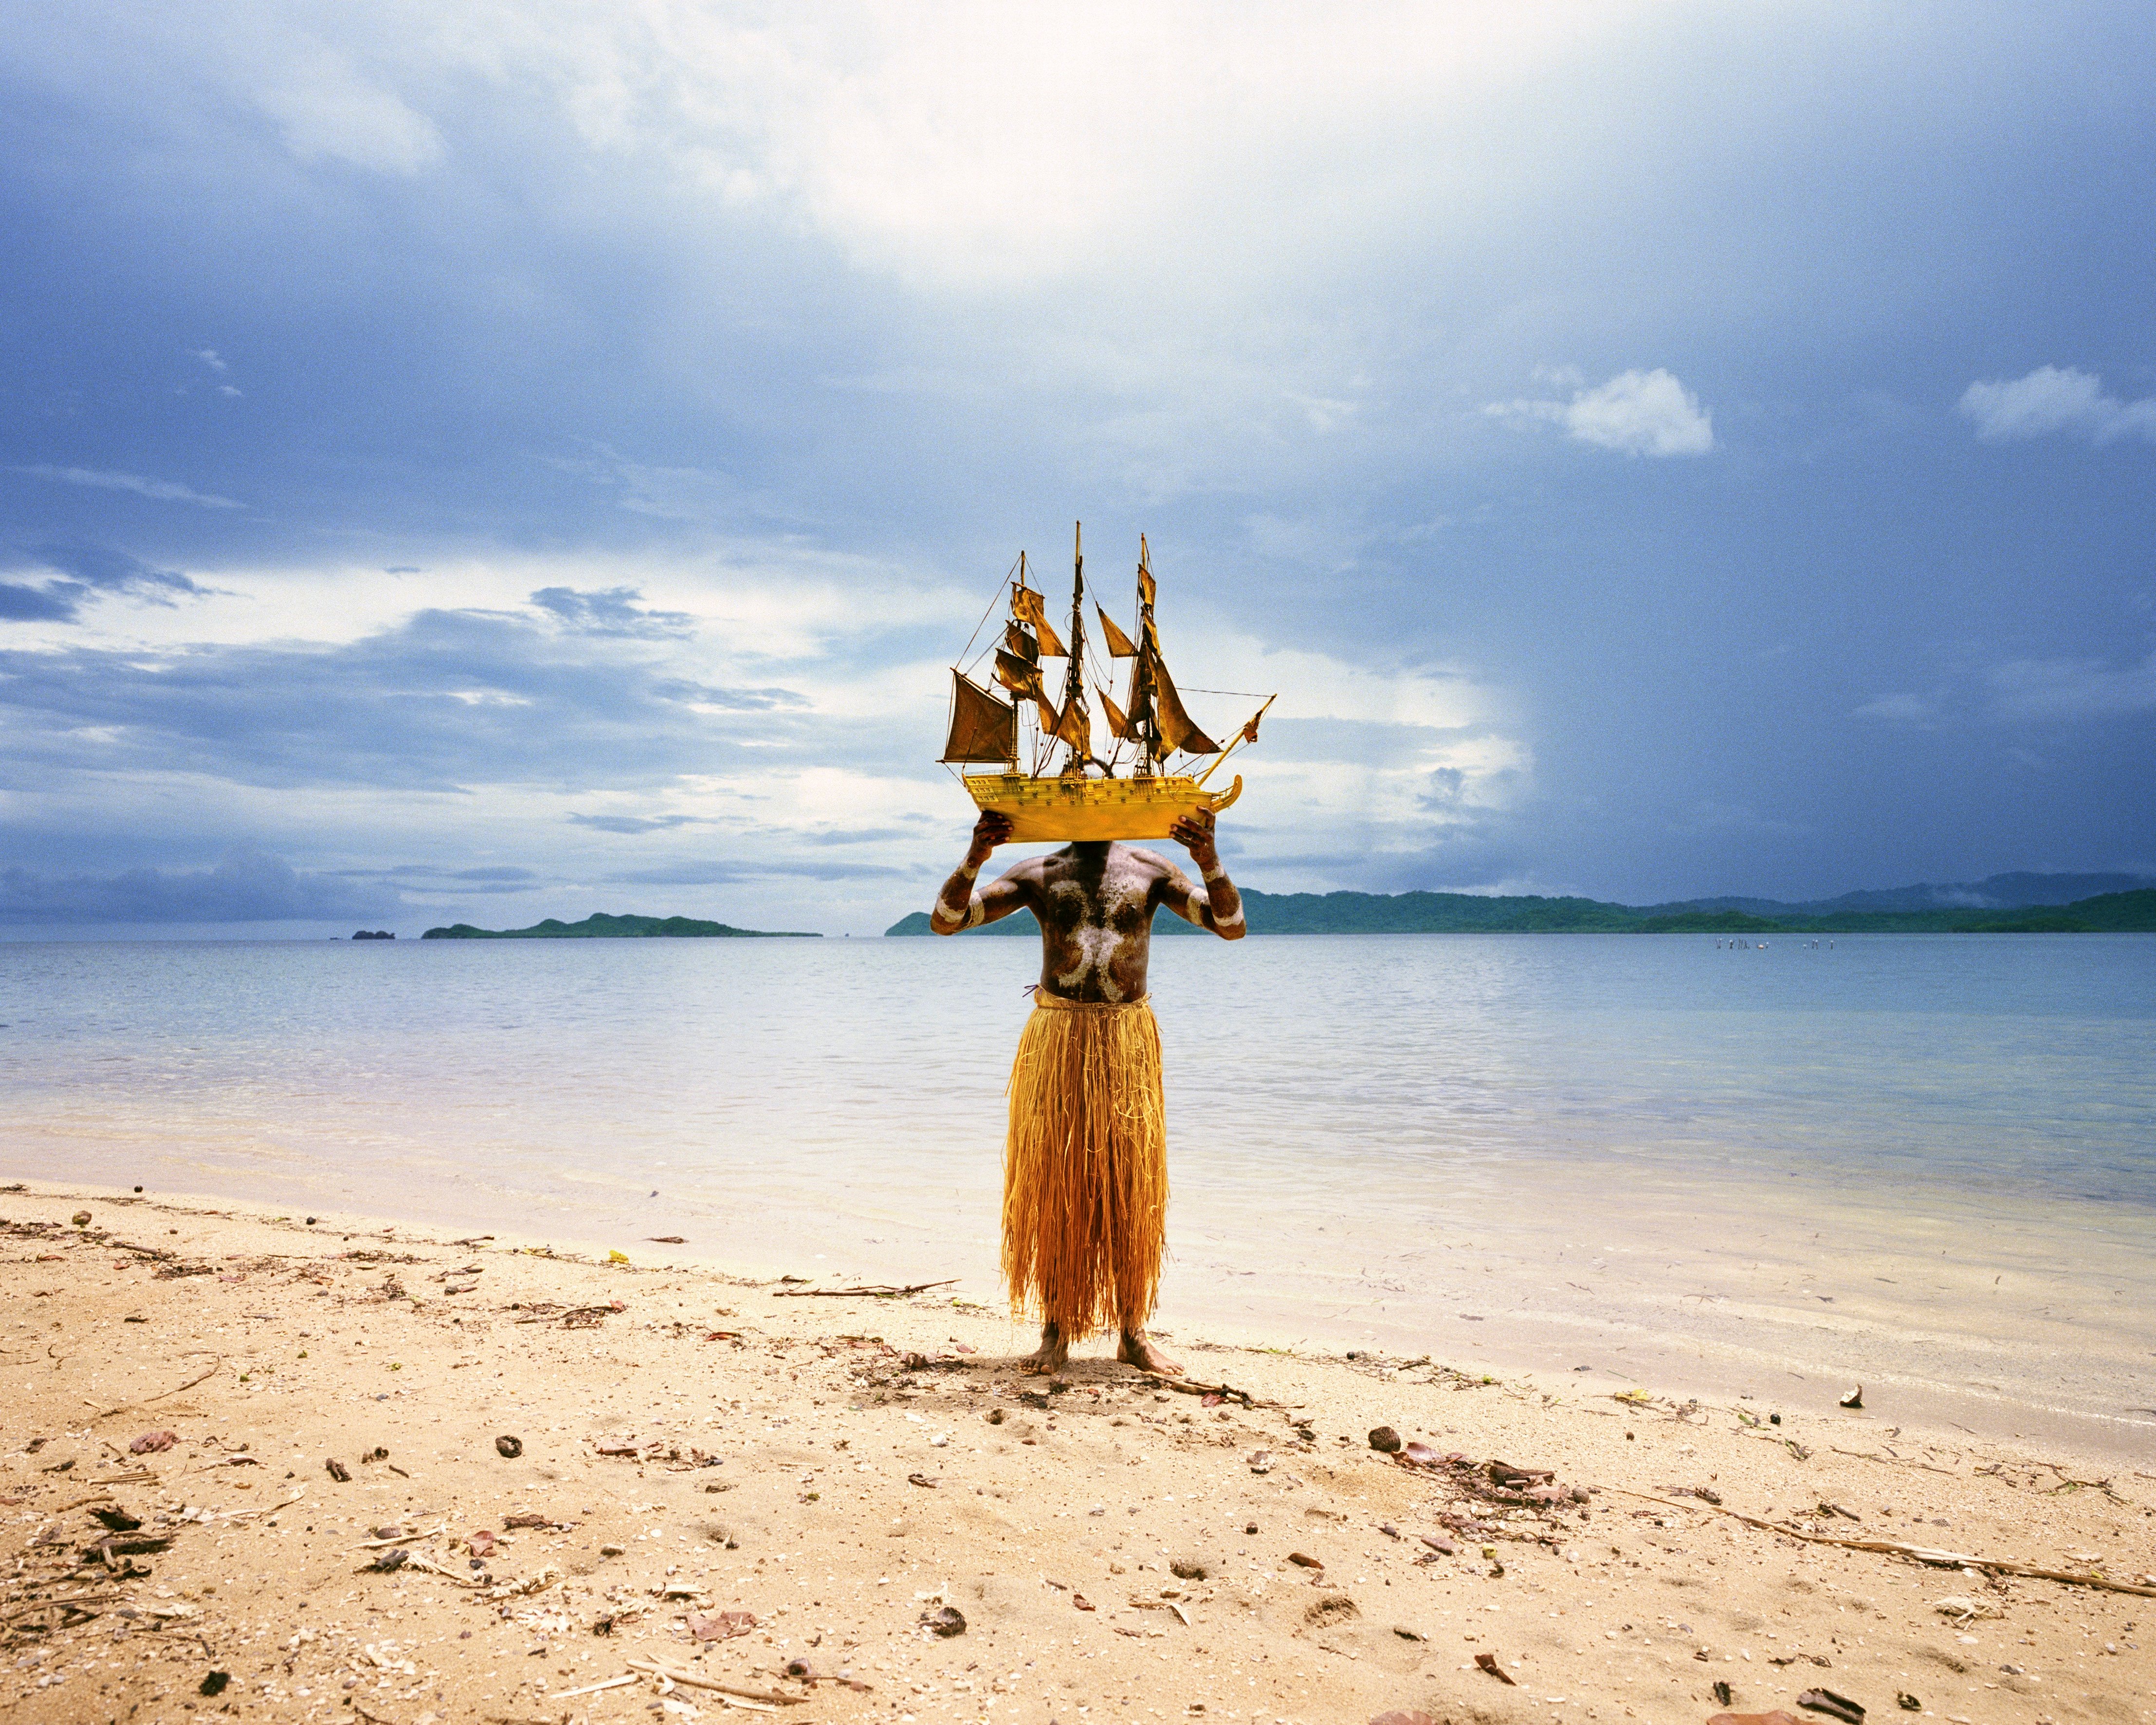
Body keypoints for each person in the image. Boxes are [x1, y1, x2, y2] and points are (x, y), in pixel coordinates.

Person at [929, 806, 1244, 1375]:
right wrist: (974, 856)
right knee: (1058, 1183)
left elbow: (1230, 926)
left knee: (1128, 1189)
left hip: (1126, 1044)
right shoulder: (1038, 872)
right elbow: (947, 920)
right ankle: (1055, 1332)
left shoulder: (1151, 870)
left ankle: (1132, 1333)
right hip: (1060, 1041)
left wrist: (1209, 860)